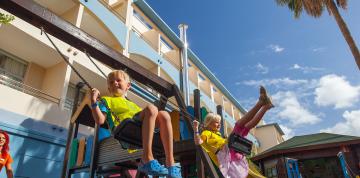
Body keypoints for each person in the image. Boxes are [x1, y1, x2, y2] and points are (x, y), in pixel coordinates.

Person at [90, 70, 181, 178]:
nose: (115, 83)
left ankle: (170, 164)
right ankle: (146, 158)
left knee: (165, 115)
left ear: (128, 86)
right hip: (124, 130)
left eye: (118, 80)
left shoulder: (132, 104)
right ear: (109, 89)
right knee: (151, 108)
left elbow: (148, 117)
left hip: (138, 130)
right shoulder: (106, 100)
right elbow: (100, 120)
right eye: (111, 82)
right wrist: (93, 101)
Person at [192, 86, 273, 178]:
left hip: (233, 153)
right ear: (209, 124)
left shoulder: (218, 135)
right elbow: (198, 142)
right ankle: (261, 102)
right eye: (216, 123)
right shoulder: (205, 133)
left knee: (247, 127)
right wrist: (195, 128)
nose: (219, 125)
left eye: (219, 123)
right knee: (239, 125)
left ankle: (266, 107)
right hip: (227, 154)